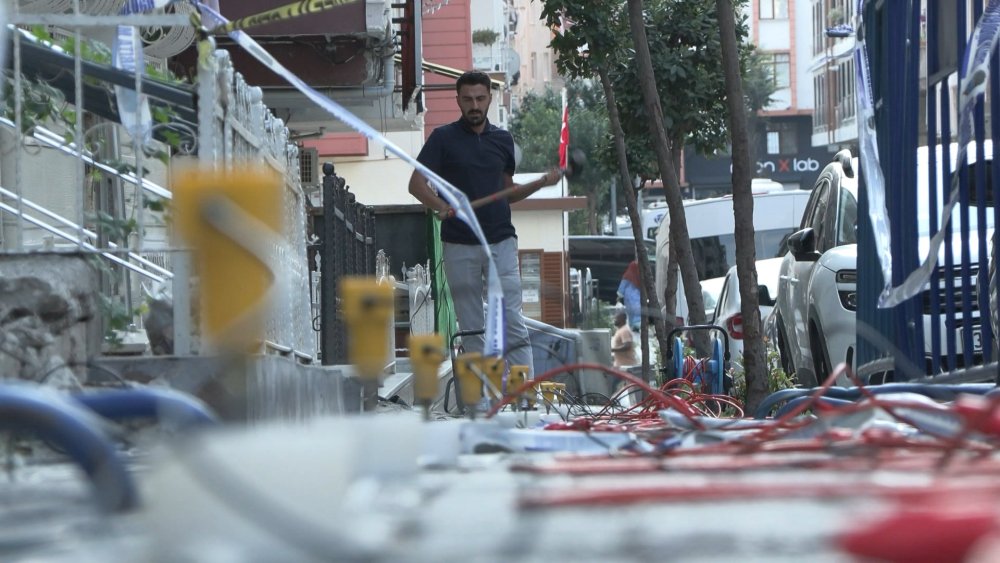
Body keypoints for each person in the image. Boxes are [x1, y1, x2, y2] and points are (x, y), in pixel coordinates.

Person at [408, 71, 561, 374]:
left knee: (512, 322)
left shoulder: (503, 140)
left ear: (490, 99)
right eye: (467, 99)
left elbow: (508, 193)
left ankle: (522, 400)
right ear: (458, 101)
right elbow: (416, 185)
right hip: (459, 245)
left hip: (501, 241)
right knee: (471, 325)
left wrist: (542, 182)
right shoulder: (442, 139)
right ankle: (482, 401)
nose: (474, 105)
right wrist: (442, 206)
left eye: (480, 98)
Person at [617, 260, 642, 331]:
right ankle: (636, 324)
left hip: (628, 297)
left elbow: (622, 286)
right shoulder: (639, 276)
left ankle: (632, 324)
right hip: (637, 296)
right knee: (637, 310)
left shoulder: (627, 275)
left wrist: (619, 295)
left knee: (630, 312)